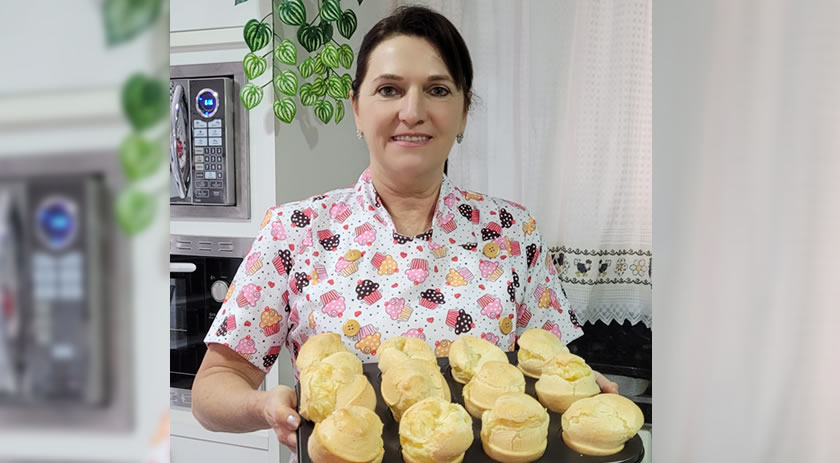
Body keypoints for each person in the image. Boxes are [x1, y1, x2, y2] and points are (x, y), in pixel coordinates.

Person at [191, 5, 618, 454]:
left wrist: (587, 390)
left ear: (464, 111)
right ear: (357, 109)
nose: (412, 112)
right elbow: (213, 389)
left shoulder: (513, 231)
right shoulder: (295, 231)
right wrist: (263, 406)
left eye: (436, 89)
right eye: (389, 90)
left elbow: (555, 367)